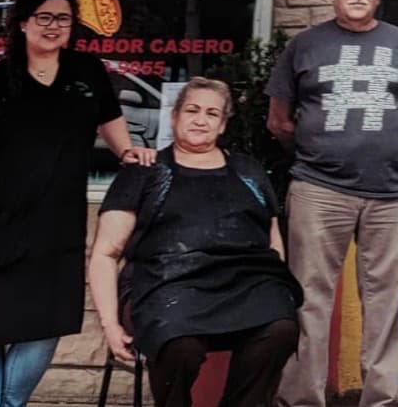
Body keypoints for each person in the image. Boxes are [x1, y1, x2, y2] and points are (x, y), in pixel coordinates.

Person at [0, 0, 156, 407]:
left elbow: (110, 121)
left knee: (45, 324)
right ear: (22, 24)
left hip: (56, 229)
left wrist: (129, 152)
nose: (54, 26)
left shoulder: (88, 71)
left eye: (63, 18)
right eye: (44, 17)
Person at [266, 0, 398, 407]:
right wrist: (322, 151)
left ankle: (381, 399)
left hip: (391, 195)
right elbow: (278, 120)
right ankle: (303, 399)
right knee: (309, 299)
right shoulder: (305, 45)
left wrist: (373, 144)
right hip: (319, 191)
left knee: (385, 301)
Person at [89, 76, 301, 407]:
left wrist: (278, 288)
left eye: (212, 114)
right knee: (180, 342)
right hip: (163, 285)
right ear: (175, 116)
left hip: (243, 282)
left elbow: (271, 240)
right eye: (192, 110)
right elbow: (105, 252)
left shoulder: (247, 169)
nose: (200, 120)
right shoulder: (145, 170)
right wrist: (110, 324)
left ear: (222, 124)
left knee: (281, 327)